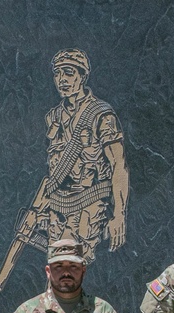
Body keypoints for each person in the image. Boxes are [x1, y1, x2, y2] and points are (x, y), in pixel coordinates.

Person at [43, 48, 128, 262]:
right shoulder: (54, 117)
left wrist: (119, 214)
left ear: (82, 76)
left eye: (69, 72)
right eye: (58, 74)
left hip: (89, 204)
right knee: (55, 269)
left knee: (74, 267)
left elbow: (119, 165)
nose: (62, 79)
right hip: (57, 207)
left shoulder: (101, 115)